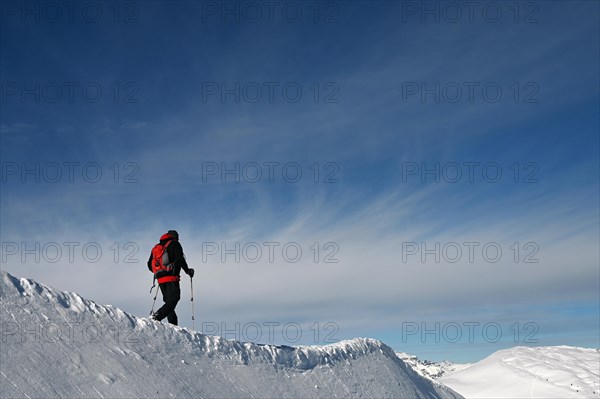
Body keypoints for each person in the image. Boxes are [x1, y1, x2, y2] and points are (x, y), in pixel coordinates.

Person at [147, 230, 194, 325]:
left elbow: (149, 264)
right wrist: (187, 270)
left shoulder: (157, 247)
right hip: (171, 278)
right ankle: (157, 316)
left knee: (169, 302)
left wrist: (159, 272)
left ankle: (173, 326)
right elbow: (180, 258)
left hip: (160, 280)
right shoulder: (175, 244)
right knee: (174, 299)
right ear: (175, 237)